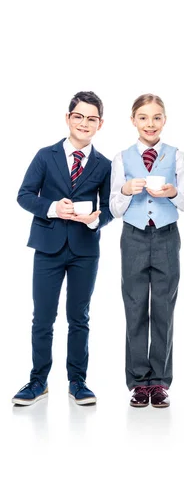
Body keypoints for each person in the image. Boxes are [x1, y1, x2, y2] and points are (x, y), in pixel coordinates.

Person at [12, 91, 113, 406]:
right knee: (42, 316)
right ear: (69, 118)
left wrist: (96, 220)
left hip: (84, 249)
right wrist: (54, 207)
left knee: (79, 317)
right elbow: (25, 195)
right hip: (48, 246)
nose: (84, 123)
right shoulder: (46, 155)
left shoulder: (104, 164)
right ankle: (37, 381)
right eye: (79, 116)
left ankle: (77, 382)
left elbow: (109, 207)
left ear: (100, 124)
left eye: (91, 118)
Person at [110, 93, 184, 408]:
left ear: (164, 120)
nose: (150, 123)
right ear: (133, 120)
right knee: (134, 309)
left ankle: (159, 382)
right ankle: (138, 382)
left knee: (163, 309)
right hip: (132, 236)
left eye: (156, 117)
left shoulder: (176, 156)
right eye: (143, 117)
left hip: (166, 237)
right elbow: (115, 209)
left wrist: (174, 193)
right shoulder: (121, 158)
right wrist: (123, 190)